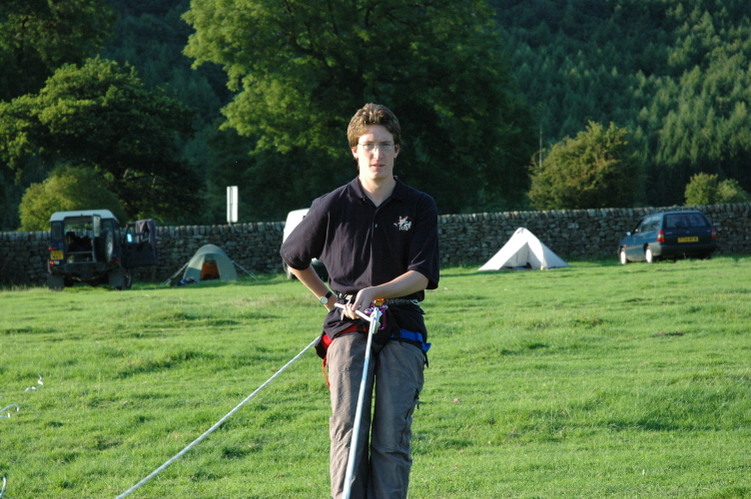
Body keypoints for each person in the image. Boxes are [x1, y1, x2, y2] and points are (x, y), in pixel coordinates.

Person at [280, 103, 440, 498]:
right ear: (354, 150)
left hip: (402, 326)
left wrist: (377, 291)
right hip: (348, 326)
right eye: (368, 145)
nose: (377, 155)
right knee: (348, 431)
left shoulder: (419, 205)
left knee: (391, 437)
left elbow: (422, 274)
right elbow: (294, 257)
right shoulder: (332, 204)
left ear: (397, 149)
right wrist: (329, 300)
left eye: (385, 145)